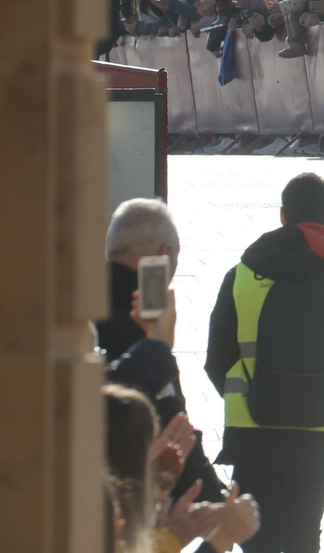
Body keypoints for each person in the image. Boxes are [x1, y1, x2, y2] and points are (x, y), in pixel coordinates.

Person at [205, 173, 324, 553]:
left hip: (254, 428)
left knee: (256, 535)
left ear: (283, 216)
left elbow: (216, 358)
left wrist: (249, 393)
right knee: (306, 531)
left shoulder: (242, 275)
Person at [97, 199, 224, 503]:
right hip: (134, 501)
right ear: (165, 252)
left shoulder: (81, 307)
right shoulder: (142, 332)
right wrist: (216, 500)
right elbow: (170, 425)